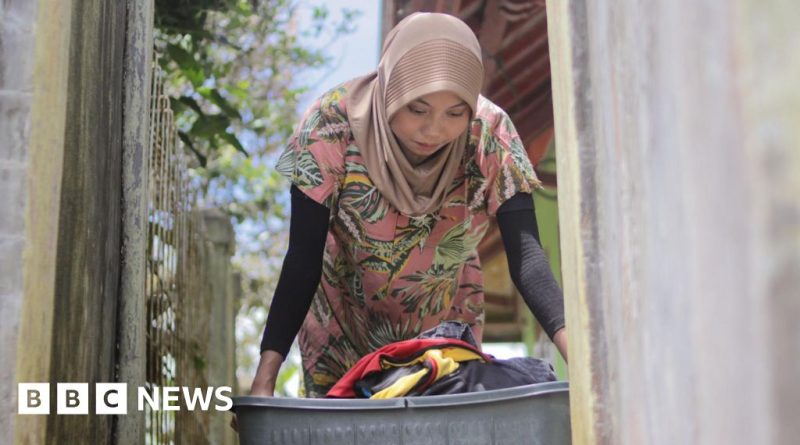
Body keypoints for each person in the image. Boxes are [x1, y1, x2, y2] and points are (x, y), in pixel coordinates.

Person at [251, 12, 567, 400]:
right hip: (341, 327)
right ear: (390, 90)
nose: (435, 130)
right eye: (417, 109)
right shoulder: (329, 127)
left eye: (455, 113)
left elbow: (528, 259)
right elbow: (302, 258)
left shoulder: (489, 133)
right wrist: (264, 380)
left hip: (443, 340)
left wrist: (582, 366)